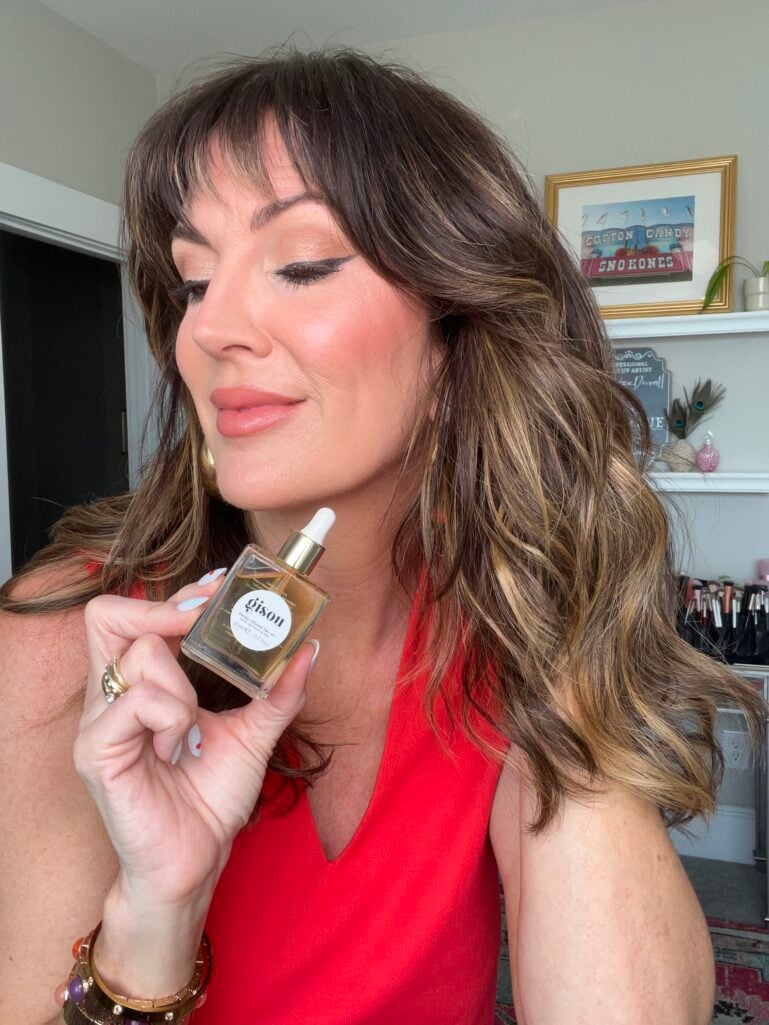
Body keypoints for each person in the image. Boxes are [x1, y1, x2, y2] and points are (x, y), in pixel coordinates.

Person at [1, 46, 763, 1025]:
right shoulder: (68, 643)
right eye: (193, 281)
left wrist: (555, 574)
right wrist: (156, 912)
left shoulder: (500, 635)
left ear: (456, 338)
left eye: (301, 265)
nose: (212, 328)